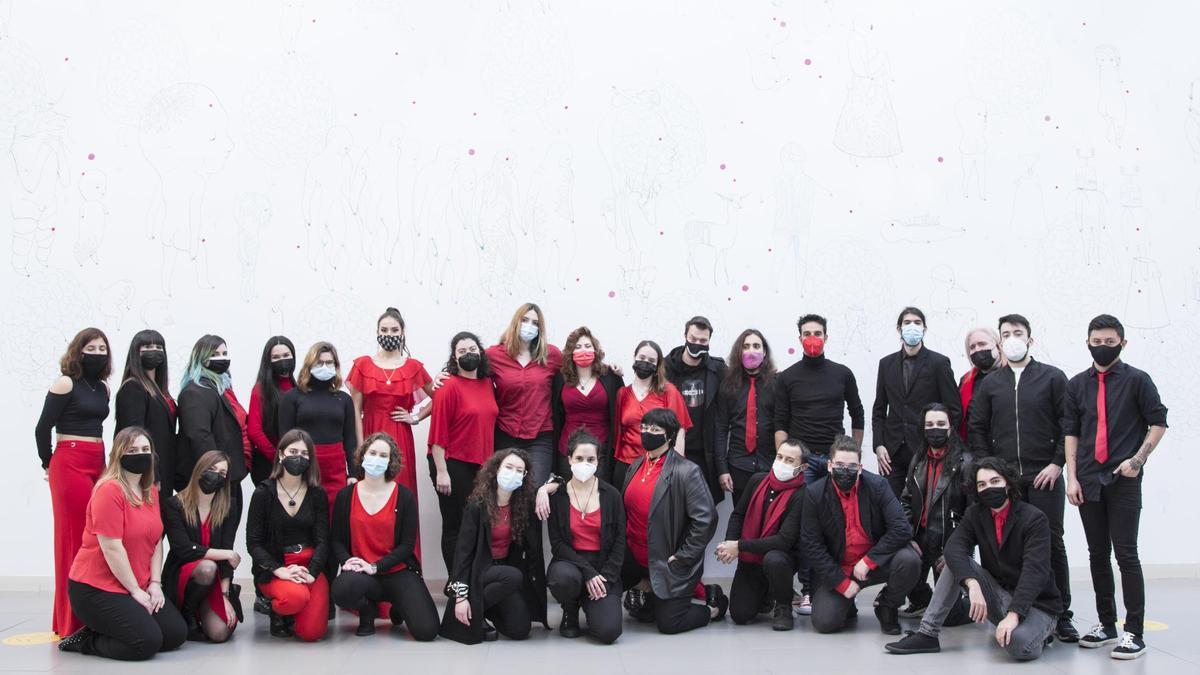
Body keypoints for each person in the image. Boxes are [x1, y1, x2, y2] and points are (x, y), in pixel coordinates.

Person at [967, 314, 1077, 642]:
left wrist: (1057, 464)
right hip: (1006, 482)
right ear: (1000, 342)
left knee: (1052, 543)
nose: (1012, 338)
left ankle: (1062, 614)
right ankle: (1019, 609)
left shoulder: (1054, 378)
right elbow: (977, 428)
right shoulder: (991, 384)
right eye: (1006, 334)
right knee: (1010, 545)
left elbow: (1068, 425)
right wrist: (992, 470)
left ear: (1030, 339)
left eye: (1018, 333)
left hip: (1044, 477)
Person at [885, 457, 1061, 661]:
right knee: (954, 560)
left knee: (1018, 646)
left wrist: (1013, 615)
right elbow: (953, 548)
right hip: (1001, 597)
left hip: (1037, 605)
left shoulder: (1033, 518)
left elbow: (1034, 573)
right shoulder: (976, 514)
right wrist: (972, 583)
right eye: (982, 484)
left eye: (995, 481)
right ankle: (927, 633)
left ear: (1008, 482)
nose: (989, 488)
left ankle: (1041, 633)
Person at [1064, 314, 1168, 660]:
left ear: (1122, 344)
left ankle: (1134, 632)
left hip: (1123, 480)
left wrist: (1136, 461)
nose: (1103, 347)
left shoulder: (1138, 381)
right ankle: (1106, 624)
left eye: (1110, 342)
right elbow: (1072, 432)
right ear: (1088, 342)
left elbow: (1158, 422)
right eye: (1097, 341)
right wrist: (1072, 477)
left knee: (1126, 554)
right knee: (1097, 555)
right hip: (1089, 479)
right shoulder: (1077, 384)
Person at [57, 427, 187, 660]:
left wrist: (155, 584)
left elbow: (156, 540)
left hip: (135, 583)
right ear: (119, 455)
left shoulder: (150, 491)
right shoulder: (109, 490)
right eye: (133, 450)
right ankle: (87, 640)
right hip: (96, 588)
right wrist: (135, 591)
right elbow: (112, 548)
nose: (140, 454)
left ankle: (116, 623)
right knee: (146, 643)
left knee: (174, 634)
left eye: (145, 449)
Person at [619, 408, 727, 634]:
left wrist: (684, 555)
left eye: (655, 429)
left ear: (669, 436)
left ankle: (713, 606)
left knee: (669, 624)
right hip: (635, 557)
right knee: (643, 615)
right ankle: (646, 587)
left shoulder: (687, 471)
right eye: (645, 427)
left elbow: (706, 519)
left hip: (667, 562)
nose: (648, 432)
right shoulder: (636, 465)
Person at [800, 435, 918, 635]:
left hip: (872, 564)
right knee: (825, 623)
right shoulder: (814, 493)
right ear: (829, 466)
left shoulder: (878, 486)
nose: (845, 471)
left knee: (909, 560)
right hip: (838, 567)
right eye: (839, 465)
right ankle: (847, 604)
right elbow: (811, 545)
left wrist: (869, 560)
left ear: (860, 468)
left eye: (852, 466)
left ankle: (887, 606)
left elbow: (901, 528)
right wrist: (841, 583)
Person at [35, 327, 111, 637]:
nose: (96, 353)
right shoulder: (66, 383)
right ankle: (71, 623)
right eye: (90, 347)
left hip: (99, 460)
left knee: (98, 536)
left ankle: (96, 615)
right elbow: (42, 428)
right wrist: (49, 463)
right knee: (73, 539)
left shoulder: (104, 388)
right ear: (77, 351)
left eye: (102, 348)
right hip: (70, 461)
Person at [330, 433, 439, 640]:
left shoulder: (404, 496)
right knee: (341, 591)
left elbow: (407, 546)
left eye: (383, 455)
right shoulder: (346, 495)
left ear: (391, 462)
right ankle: (366, 609)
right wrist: (347, 561)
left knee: (427, 631)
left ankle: (399, 606)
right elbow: (337, 540)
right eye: (372, 453)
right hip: (360, 572)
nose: (376, 459)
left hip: (397, 572)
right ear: (363, 456)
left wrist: (376, 567)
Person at [346, 308, 435, 564]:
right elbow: (356, 410)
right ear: (377, 332)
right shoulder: (362, 365)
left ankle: (404, 568)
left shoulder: (413, 367)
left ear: (403, 332)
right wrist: (361, 449)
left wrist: (416, 417)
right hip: (371, 434)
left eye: (394, 330)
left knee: (400, 500)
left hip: (400, 439)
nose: (389, 334)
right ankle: (365, 564)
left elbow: (440, 398)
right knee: (368, 502)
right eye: (384, 330)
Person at [440, 449, 548, 644]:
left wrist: (543, 490)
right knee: (513, 575)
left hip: (502, 572)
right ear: (496, 469)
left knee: (520, 630)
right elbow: (463, 553)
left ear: (524, 476)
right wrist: (461, 597)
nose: (513, 473)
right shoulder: (477, 506)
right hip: (480, 570)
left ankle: (486, 608)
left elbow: (559, 481)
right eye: (509, 467)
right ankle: (476, 611)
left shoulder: (523, 504)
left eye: (519, 470)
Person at [246, 429, 331, 642]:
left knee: (312, 634)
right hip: (277, 566)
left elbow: (323, 540)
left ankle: (297, 611)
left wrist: (312, 572)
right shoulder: (263, 493)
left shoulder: (317, 493)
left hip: (308, 565)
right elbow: (253, 543)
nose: (298, 458)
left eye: (304, 454)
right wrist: (279, 570)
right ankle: (279, 611)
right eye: (293, 451)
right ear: (281, 454)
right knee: (295, 597)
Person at [716, 437, 806, 631]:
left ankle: (783, 605)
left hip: (782, 558)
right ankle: (765, 595)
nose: (782, 463)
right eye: (780, 457)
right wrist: (729, 544)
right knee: (740, 615)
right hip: (751, 559)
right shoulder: (757, 480)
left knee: (773, 559)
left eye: (790, 461)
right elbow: (738, 515)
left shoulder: (803, 495)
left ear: (802, 468)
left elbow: (784, 540)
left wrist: (739, 546)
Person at [872, 307, 962, 497]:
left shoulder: (939, 362)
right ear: (899, 329)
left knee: (922, 505)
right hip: (892, 452)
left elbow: (953, 409)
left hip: (926, 448)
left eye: (917, 322)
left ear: (924, 329)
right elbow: (879, 410)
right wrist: (879, 445)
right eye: (907, 322)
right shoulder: (886, 363)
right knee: (890, 504)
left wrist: (943, 444)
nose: (912, 326)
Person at [546, 430, 625, 644]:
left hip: (603, 570)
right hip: (570, 563)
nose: (585, 463)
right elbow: (557, 545)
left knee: (609, 632)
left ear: (598, 461)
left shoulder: (612, 496)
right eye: (579, 458)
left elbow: (619, 543)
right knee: (562, 578)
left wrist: (604, 580)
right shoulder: (558, 496)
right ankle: (570, 609)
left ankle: (591, 602)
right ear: (569, 459)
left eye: (590, 459)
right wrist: (587, 572)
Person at [428, 331, 499, 568]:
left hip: (482, 465)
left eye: (472, 349)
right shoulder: (447, 385)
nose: (468, 354)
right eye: (461, 351)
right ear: (454, 357)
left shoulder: (489, 383)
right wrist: (441, 471)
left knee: (479, 522)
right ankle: (456, 583)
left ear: (480, 352)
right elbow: (437, 433)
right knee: (456, 524)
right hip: (451, 463)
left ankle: (473, 577)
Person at [898, 403, 971, 622]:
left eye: (941, 424)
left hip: (948, 542)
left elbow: (973, 515)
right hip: (919, 539)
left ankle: (973, 600)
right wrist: (907, 537)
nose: (935, 429)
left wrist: (956, 551)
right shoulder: (918, 459)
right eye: (929, 424)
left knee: (949, 618)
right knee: (903, 564)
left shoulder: (965, 463)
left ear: (950, 428)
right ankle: (923, 600)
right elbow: (906, 500)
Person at [161, 450, 242, 643]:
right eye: (212, 469)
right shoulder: (174, 504)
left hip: (214, 581)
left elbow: (226, 557)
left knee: (220, 634)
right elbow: (184, 549)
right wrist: (226, 554)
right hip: (182, 576)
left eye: (222, 473)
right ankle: (187, 614)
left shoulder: (229, 506)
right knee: (208, 567)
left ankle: (202, 613)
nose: (216, 476)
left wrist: (224, 595)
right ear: (199, 470)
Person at [774, 314, 865, 483]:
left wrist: (854, 453)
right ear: (800, 338)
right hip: (802, 461)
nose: (812, 338)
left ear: (826, 337)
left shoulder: (843, 374)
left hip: (835, 459)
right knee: (803, 508)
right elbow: (780, 422)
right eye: (807, 334)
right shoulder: (787, 377)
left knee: (835, 508)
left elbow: (857, 414)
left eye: (817, 333)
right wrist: (784, 461)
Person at [482, 303, 564, 487]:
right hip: (505, 433)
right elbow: (469, 375)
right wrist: (443, 375)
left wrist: (610, 370)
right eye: (525, 320)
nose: (529, 326)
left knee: (532, 490)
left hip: (540, 437)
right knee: (503, 490)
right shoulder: (494, 355)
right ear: (515, 322)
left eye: (535, 323)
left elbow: (578, 370)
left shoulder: (552, 355)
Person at [278, 341, 357, 511]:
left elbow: (350, 439)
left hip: (336, 468)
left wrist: (353, 473)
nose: (325, 367)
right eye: (319, 363)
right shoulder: (292, 397)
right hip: (304, 465)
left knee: (335, 515)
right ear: (309, 365)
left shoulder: (344, 399)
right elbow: (285, 438)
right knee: (306, 512)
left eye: (329, 363)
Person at [176, 335, 251, 505]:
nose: (222, 358)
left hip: (229, 477)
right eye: (215, 354)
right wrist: (216, 475)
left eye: (224, 353)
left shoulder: (220, 388)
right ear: (201, 356)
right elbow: (200, 437)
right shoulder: (195, 392)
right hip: (211, 482)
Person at [665, 316, 729, 503]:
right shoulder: (665, 368)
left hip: (704, 455)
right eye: (693, 339)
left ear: (709, 341)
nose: (697, 344)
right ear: (685, 336)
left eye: (703, 341)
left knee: (704, 511)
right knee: (671, 508)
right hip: (671, 452)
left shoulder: (717, 369)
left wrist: (772, 374)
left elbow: (740, 383)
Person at [612, 341, 691, 489]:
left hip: (658, 466)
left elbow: (679, 431)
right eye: (641, 358)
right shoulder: (622, 394)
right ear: (634, 358)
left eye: (651, 361)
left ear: (657, 366)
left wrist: (676, 468)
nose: (645, 363)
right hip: (626, 465)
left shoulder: (669, 392)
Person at [715, 328, 779, 505]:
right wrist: (722, 469)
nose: (751, 351)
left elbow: (783, 425)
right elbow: (720, 429)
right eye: (746, 346)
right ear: (739, 352)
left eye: (756, 346)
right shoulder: (728, 386)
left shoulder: (777, 384)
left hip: (770, 466)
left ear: (764, 352)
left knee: (768, 523)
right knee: (741, 520)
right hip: (738, 466)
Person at [550, 326, 624, 481]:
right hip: (568, 452)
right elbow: (555, 414)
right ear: (570, 353)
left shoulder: (610, 376)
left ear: (595, 350)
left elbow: (620, 411)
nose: (583, 350)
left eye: (587, 346)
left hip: (600, 453)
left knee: (598, 498)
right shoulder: (560, 379)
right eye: (578, 347)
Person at [114, 329, 177, 493]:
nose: (154, 351)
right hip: (147, 473)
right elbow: (134, 436)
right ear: (136, 353)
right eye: (148, 347)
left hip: (165, 468)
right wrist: (152, 474)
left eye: (158, 347)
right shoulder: (133, 388)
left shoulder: (160, 390)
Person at [247, 336, 297, 486]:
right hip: (268, 463)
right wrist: (276, 457)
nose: (282, 360)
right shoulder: (260, 390)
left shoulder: (299, 388)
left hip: (295, 462)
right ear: (268, 361)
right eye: (276, 357)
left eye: (286, 355)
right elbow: (254, 430)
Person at [957, 326, 1004, 441]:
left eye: (982, 344)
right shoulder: (966, 381)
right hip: (974, 448)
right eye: (972, 347)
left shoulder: (1011, 376)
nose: (977, 350)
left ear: (998, 347)